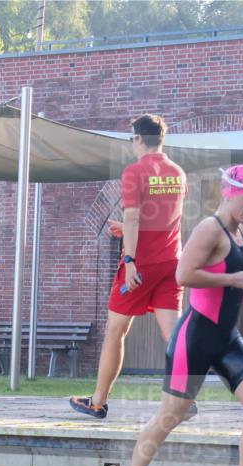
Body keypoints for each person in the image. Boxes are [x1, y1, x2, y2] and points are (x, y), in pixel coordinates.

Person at [117, 165, 243, 466]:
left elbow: (220, 277)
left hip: (227, 337)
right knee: (169, 416)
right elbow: (183, 275)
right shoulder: (210, 228)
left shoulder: (238, 231)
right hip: (196, 338)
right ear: (229, 192)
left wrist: (239, 288)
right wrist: (233, 279)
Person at [69, 114, 195, 421]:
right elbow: (162, 220)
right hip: (171, 264)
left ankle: (97, 402)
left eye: (131, 139)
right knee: (173, 335)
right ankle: (186, 401)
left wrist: (129, 260)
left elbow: (136, 217)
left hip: (141, 267)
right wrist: (125, 228)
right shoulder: (178, 172)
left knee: (116, 331)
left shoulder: (135, 172)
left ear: (138, 138)